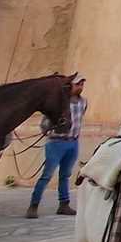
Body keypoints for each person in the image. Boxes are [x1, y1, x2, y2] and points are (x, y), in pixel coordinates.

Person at [27, 75, 86, 217]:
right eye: (78, 84)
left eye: (82, 84)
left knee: (65, 175)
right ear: (70, 85)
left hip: (73, 142)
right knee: (47, 175)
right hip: (56, 142)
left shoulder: (83, 102)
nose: (80, 87)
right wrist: (51, 128)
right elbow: (45, 123)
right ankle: (33, 205)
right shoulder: (58, 102)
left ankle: (64, 204)